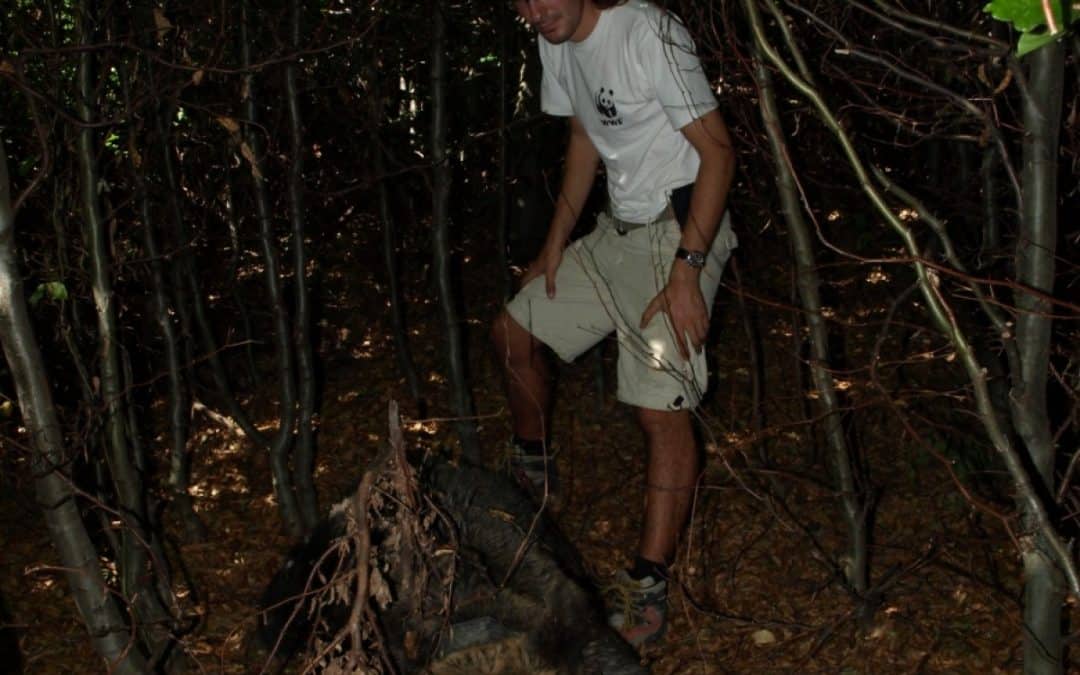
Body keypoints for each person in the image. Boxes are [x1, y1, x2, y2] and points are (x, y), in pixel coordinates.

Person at [492, 0, 737, 647]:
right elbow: (582, 139)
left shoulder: (648, 33)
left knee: (660, 409)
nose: (535, 11)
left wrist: (688, 268)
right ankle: (534, 475)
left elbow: (718, 153)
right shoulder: (555, 39)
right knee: (513, 332)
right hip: (614, 234)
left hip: (680, 233)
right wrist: (555, 242)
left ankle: (649, 582)